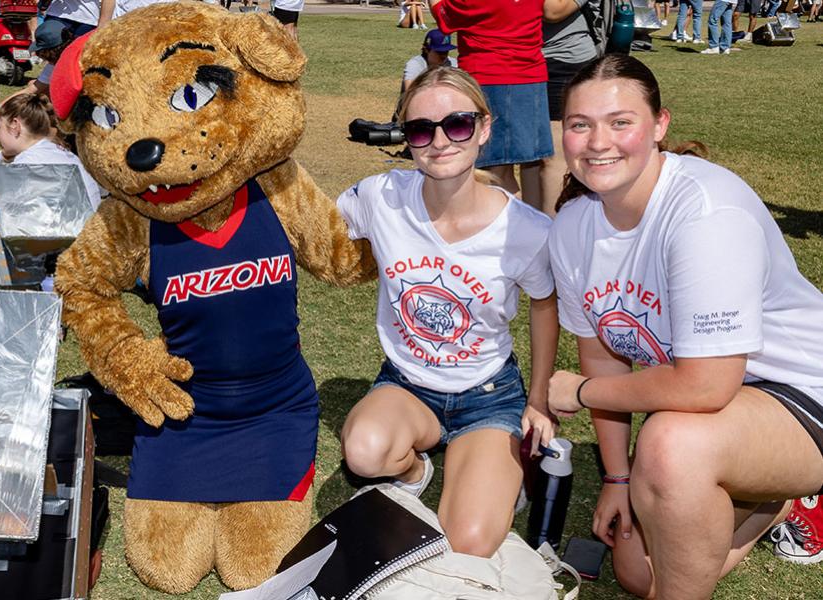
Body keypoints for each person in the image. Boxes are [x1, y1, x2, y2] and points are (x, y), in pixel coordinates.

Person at [545, 54, 823, 597]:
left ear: (659, 126)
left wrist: (579, 391)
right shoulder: (575, 225)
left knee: (671, 444)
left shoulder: (705, 213)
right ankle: (771, 499)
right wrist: (616, 478)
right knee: (636, 575)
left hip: (803, 393)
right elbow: (603, 353)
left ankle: (788, 484)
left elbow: (704, 384)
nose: (598, 141)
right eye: (581, 124)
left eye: (620, 122)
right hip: (722, 407)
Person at [337, 66, 559, 558]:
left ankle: (495, 470)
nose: (439, 142)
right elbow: (314, 230)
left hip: (488, 395)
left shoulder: (527, 229)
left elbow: (546, 305)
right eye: (420, 129)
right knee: (364, 452)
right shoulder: (380, 197)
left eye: (457, 124)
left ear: (483, 128)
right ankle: (417, 470)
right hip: (407, 383)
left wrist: (538, 400)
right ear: (407, 138)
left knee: (470, 541)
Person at [430, 0, 553, 207]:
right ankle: (537, 226)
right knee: (531, 162)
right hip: (530, 77)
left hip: (490, 77)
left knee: (494, 170)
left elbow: (444, 15)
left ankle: (510, 228)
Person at [0, 91, 102, 228]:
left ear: (15, 125)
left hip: (67, 243)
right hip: (84, 233)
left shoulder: (30, 163)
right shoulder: (55, 152)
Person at [521, 0, 600, 216]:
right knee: (529, 157)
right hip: (518, 59)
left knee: (551, 156)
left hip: (562, 61)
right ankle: (532, 231)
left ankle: (553, 234)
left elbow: (553, 10)